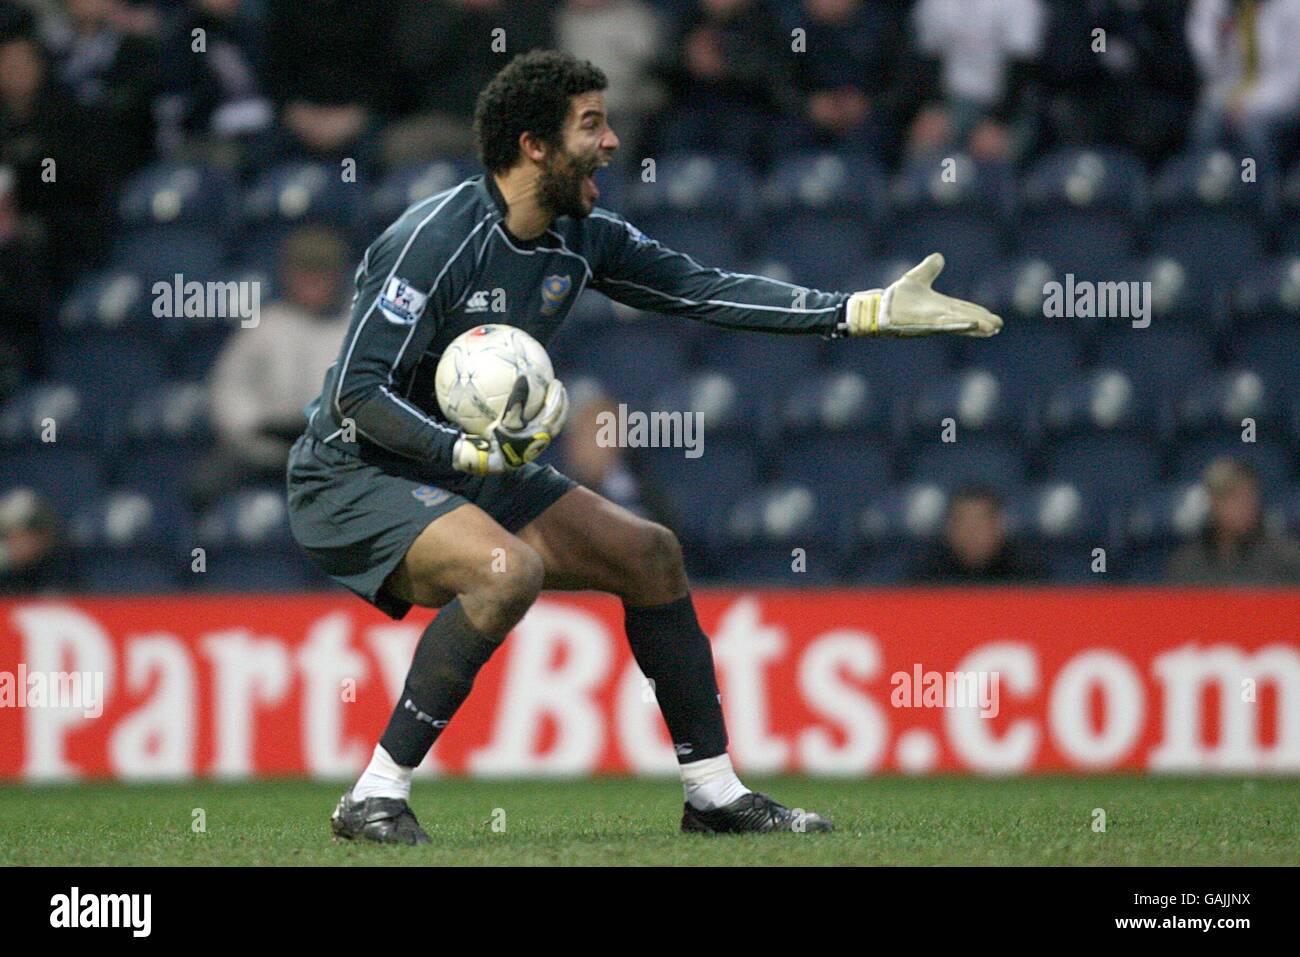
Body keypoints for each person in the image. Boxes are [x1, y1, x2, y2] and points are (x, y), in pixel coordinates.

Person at [286, 50, 1002, 844]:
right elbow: (356, 392)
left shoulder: (581, 237)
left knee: (649, 554)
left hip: (468, 467)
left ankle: (714, 794)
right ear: (533, 145)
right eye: (591, 124)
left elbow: (702, 287)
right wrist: (460, 455)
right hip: (354, 472)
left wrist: (859, 310)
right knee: (506, 570)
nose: (613, 142)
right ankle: (373, 792)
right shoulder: (435, 240)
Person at [199, 226, 351, 505]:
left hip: (335, 453)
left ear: (338, 276)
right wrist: (257, 437)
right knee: (205, 483)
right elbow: (229, 389)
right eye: (306, 273)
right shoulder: (262, 327)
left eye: (322, 273)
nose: (313, 282)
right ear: (289, 275)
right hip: (265, 449)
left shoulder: (354, 328)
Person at [1166, 458, 1300, 585]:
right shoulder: (1187, 563)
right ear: (1213, 503)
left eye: (1247, 497)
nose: (1242, 506)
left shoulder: (1287, 558)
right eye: (1230, 497)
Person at [908, 485, 1045, 584]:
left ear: (999, 527)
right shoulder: (926, 575)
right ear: (949, 529)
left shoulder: (1028, 574)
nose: (972, 533)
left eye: (980, 523)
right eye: (964, 523)